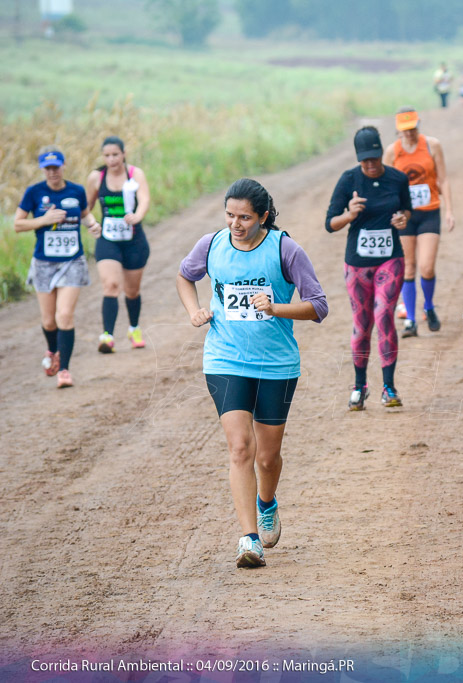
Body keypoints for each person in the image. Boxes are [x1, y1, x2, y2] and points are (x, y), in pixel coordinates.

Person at [177, 179, 327, 568]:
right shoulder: (211, 246)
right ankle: (249, 539)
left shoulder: (285, 249)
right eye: (230, 215)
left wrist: (276, 307)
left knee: (268, 457)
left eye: (244, 217)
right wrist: (194, 310)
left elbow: (318, 305)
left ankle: (267, 501)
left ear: (263, 216)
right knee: (241, 448)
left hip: (276, 364)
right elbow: (184, 275)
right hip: (225, 358)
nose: (236, 224)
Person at [326, 126, 411, 410]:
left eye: (375, 158)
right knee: (363, 326)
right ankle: (359, 386)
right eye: (366, 160)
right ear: (358, 158)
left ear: (380, 153)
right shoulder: (348, 180)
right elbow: (330, 223)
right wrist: (350, 214)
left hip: (390, 258)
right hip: (357, 265)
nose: (371, 165)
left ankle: (389, 387)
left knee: (385, 314)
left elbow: (407, 211)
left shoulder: (398, 178)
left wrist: (402, 219)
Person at [14, 147, 99, 388]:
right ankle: (53, 350)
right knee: (49, 321)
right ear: (43, 169)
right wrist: (43, 220)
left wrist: (93, 225)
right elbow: (18, 225)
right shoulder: (34, 193)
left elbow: (85, 215)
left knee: (65, 315)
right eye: (48, 168)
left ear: (63, 167)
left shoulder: (76, 191)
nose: (53, 172)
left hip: (72, 260)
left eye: (56, 167)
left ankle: (64, 370)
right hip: (44, 263)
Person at [382, 108, 455, 338]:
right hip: (405, 217)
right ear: (398, 131)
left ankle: (429, 307)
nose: (410, 134)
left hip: (430, 212)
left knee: (427, 266)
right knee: (409, 268)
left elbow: (443, 179)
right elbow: (387, 187)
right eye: (405, 130)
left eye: (413, 128)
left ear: (418, 125)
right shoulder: (392, 152)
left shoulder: (433, 146)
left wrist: (449, 210)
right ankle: (411, 321)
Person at [85, 136, 151, 353]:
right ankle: (107, 336)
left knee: (132, 291)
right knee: (111, 285)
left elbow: (144, 199)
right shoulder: (96, 177)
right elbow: (85, 207)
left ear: (123, 154)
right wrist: (92, 223)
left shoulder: (135, 174)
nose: (111, 159)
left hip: (134, 241)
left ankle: (134, 328)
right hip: (108, 240)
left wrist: (138, 215)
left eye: (115, 154)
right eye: (107, 155)